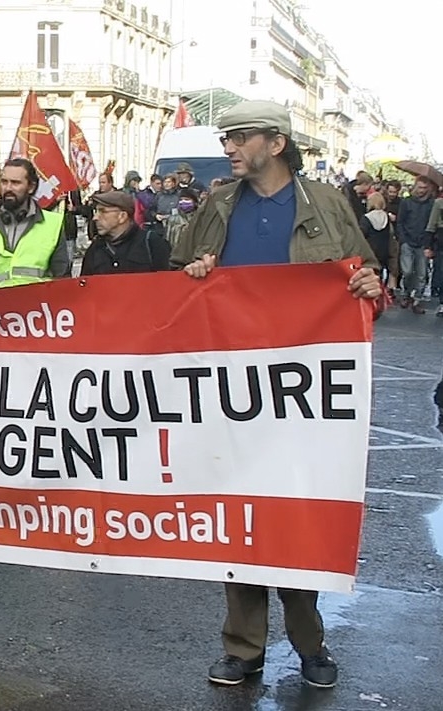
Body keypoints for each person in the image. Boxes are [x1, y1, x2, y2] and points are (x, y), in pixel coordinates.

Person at [172, 100, 381, 690]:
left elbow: (364, 275)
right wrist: (194, 273)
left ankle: (309, 642)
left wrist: (369, 284)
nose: (230, 148)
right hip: (231, 386)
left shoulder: (327, 204)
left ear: (276, 143)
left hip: (301, 390)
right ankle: (243, 648)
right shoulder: (215, 206)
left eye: (240, 138)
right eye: (228, 138)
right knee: (239, 516)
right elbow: (178, 277)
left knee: (296, 514)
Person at [0, 158, 72, 290]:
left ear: (31, 187)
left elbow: (62, 280)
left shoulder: (53, 223)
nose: (8, 188)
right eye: (4, 182)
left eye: (15, 183)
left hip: (36, 308)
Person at [80, 191, 171, 275]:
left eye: (103, 211)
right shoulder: (95, 249)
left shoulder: (152, 243)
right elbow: (85, 288)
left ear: (122, 216)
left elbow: (170, 282)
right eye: (96, 211)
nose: (95, 218)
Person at [396, 176, 438, 314]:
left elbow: (433, 225)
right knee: (407, 271)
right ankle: (407, 293)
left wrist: (429, 244)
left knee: (421, 273)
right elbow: (400, 222)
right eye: (420, 187)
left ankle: (417, 300)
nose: (421, 191)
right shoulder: (406, 202)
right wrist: (402, 239)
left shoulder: (431, 204)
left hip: (423, 242)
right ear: (415, 187)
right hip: (408, 240)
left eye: (424, 188)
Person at [359, 191, 400, 294]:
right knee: (380, 273)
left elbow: (361, 235)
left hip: (370, 250)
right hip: (384, 250)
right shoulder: (386, 217)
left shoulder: (366, 218)